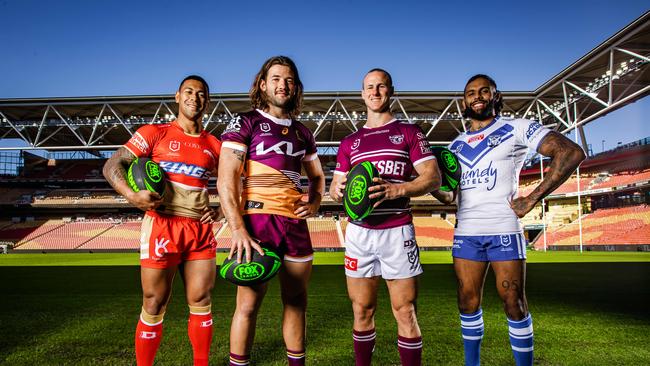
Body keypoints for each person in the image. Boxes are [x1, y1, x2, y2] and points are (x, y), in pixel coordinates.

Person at [432, 74, 586, 366]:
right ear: (463, 102)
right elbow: (450, 197)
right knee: (467, 303)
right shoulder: (455, 146)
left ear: (496, 96)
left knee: (514, 304)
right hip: (466, 232)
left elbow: (570, 152)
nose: (477, 96)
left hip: (504, 229)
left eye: (483, 91)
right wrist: (430, 186)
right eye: (470, 93)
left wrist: (532, 197)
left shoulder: (517, 128)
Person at [103, 75, 221, 366]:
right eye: (189, 91)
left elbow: (236, 183)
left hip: (200, 228)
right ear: (177, 97)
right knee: (154, 302)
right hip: (162, 223)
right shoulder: (154, 132)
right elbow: (112, 164)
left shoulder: (215, 145)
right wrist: (131, 196)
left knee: (202, 301)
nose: (195, 97)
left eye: (202, 93)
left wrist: (221, 210)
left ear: (208, 101)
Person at [218, 56, 325, 366]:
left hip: (295, 225)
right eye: (276, 78)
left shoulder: (303, 133)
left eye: (289, 80)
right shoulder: (245, 121)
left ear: (296, 88)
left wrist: (315, 202)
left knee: (296, 302)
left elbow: (317, 176)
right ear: (263, 85)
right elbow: (226, 178)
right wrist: (238, 229)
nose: (283, 84)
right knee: (248, 305)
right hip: (257, 224)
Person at [330, 68, 441, 366]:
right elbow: (334, 190)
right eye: (369, 87)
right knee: (362, 309)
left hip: (397, 231)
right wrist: (338, 190)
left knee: (405, 311)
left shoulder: (409, 132)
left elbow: (432, 178)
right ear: (362, 93)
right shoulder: (349, 143)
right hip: (359, 232)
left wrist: (397, 190)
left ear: (390, 90)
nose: (375, 92)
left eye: (381, 86)